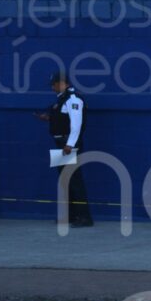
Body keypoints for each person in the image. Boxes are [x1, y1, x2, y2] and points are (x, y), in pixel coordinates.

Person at [40, 71, 93, 227]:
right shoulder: (61, 100)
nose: (52, 87)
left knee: (75, 181)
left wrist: (70, 145)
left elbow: (76, 124)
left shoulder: (73, 99)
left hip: (68, 145)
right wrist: (49, 118)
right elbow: (62, 119)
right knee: (65, 181)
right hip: (61, 144)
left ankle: (84, 217)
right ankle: (70, 215)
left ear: (63, 83)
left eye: (54, 84)